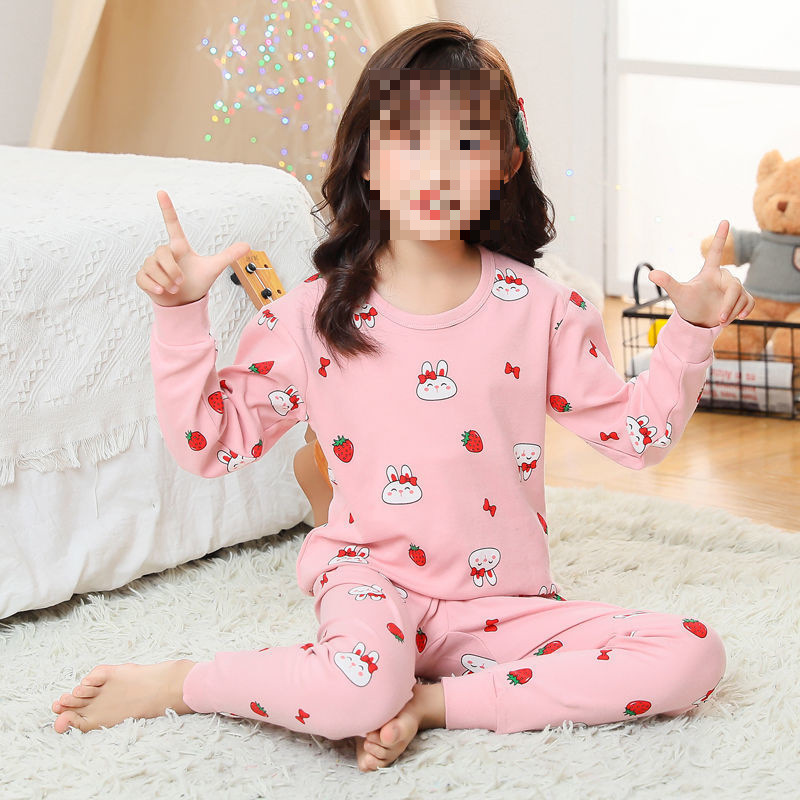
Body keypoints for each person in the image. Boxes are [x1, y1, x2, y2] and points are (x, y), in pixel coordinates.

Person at [51, 21, 752, 773]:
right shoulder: (310, 316)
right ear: (367, 156)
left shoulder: (544, 308)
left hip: (506, 607)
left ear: (507, 163)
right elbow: (210, 445)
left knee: (692, 655)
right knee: (356, 692)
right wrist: (180, 316)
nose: (437, 169)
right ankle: (183, 684)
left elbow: (639, 438)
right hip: (370, 584)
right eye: (410, 139)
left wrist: (691, 330)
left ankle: (432, 703)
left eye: (468, 143)